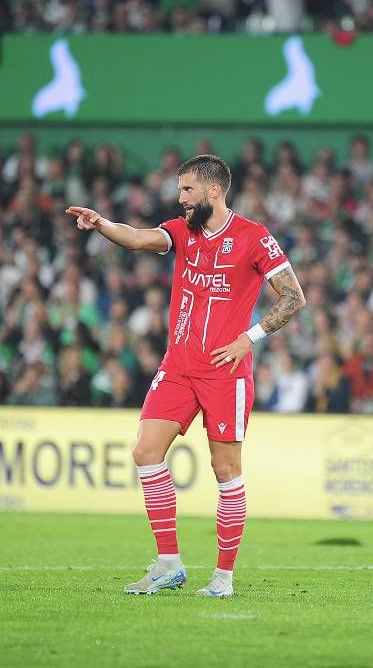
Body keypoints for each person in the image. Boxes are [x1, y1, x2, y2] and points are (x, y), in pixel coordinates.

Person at [66, 155, 305, 598]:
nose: (181, 199)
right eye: (180, 190)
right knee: (145, 451)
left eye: (187, 190)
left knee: (225, 469)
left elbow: (294, 297)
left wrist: (249, 338)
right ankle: (169, 564)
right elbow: (137, 238)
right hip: (178, 366)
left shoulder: (254, 238)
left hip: (225, 371)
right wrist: (101, 223)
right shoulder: (181, 231)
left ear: (214, 191)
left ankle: (223, 577)